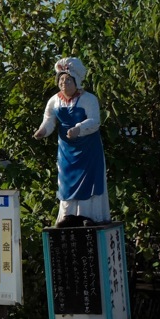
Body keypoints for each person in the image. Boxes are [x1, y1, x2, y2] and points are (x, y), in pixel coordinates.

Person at [33, 57, 110, 227]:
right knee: (66, 180)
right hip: (67, 149)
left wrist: (79, 129)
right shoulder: (54, 100)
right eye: (61, 79)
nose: (64, 83)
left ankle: (88, 215)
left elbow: (95, 121)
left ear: (76, 81)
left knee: (89, 180)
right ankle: (67, 216)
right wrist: (42, 131)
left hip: (88, 148)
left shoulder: (89, 99)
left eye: (68, 79)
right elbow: (49, 120)